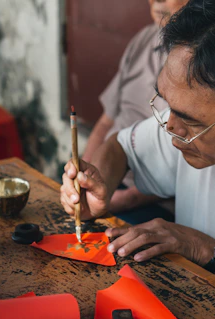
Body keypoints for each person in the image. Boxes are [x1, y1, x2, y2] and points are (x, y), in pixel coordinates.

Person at [61, 0, 215, 288]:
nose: (169, 127)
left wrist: (201, 248)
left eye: (190, 119)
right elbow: (121, 147)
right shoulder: (185, 131)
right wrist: (98, 185)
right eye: (168, 105)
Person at [82, 0, 188, 222]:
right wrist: (85, 176)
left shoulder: (202, 65)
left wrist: (122, 199)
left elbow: (187, 164)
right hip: (108, 177)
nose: (156, 0)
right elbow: (105, 125)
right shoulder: (144, 39)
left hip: (154, 198)